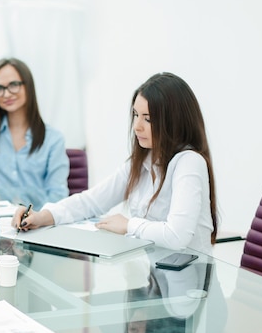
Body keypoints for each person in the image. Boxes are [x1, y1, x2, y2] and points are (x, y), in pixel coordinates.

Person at [13, 72, 218, 254]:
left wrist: (129, 225)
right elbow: (91, 201)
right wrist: (43, 216)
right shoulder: (142, 162)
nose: (137, 126)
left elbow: (177, 236)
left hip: (193, 285)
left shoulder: (189, 162)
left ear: (174, 121)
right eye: (136, 115)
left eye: (148, 119)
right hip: (157, 277)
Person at [0, 58, 69, 209]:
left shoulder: (53, 139)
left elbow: (57, 195)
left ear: (27, 86)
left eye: (13, 85)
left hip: (38, 222)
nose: (6, 94)